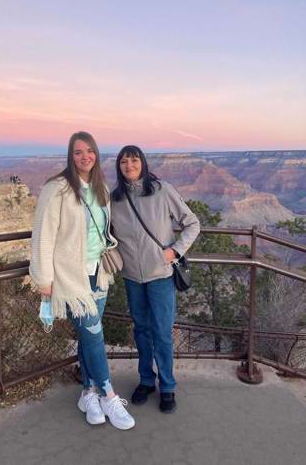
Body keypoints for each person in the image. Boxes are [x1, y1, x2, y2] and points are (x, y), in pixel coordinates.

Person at [29, 132, 135, 430]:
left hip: (97, 271)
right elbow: (44, 235)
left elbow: (102, 229)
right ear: (70, 156)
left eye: (90, 151)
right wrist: (43, 279)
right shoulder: (57, 188)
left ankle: (88, 393)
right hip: (69, 275)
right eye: (78, 152)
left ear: (96, 154)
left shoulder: (100, 187)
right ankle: (110, 395)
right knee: (94, 335)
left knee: (89, 337)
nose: (85, 156)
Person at [111, 145, 200, 413]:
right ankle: (146, 380)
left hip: (160, 275)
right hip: (132, 277)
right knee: (141, 330)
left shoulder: (162, 190)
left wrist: (175, 250)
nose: (129, 165)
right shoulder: (114, 198)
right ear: (119, 166)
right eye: (124, 161)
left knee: (162, 332)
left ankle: (168, 386)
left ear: (143, 163)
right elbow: (106, 233)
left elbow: (192, 223)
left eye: (134, 160)